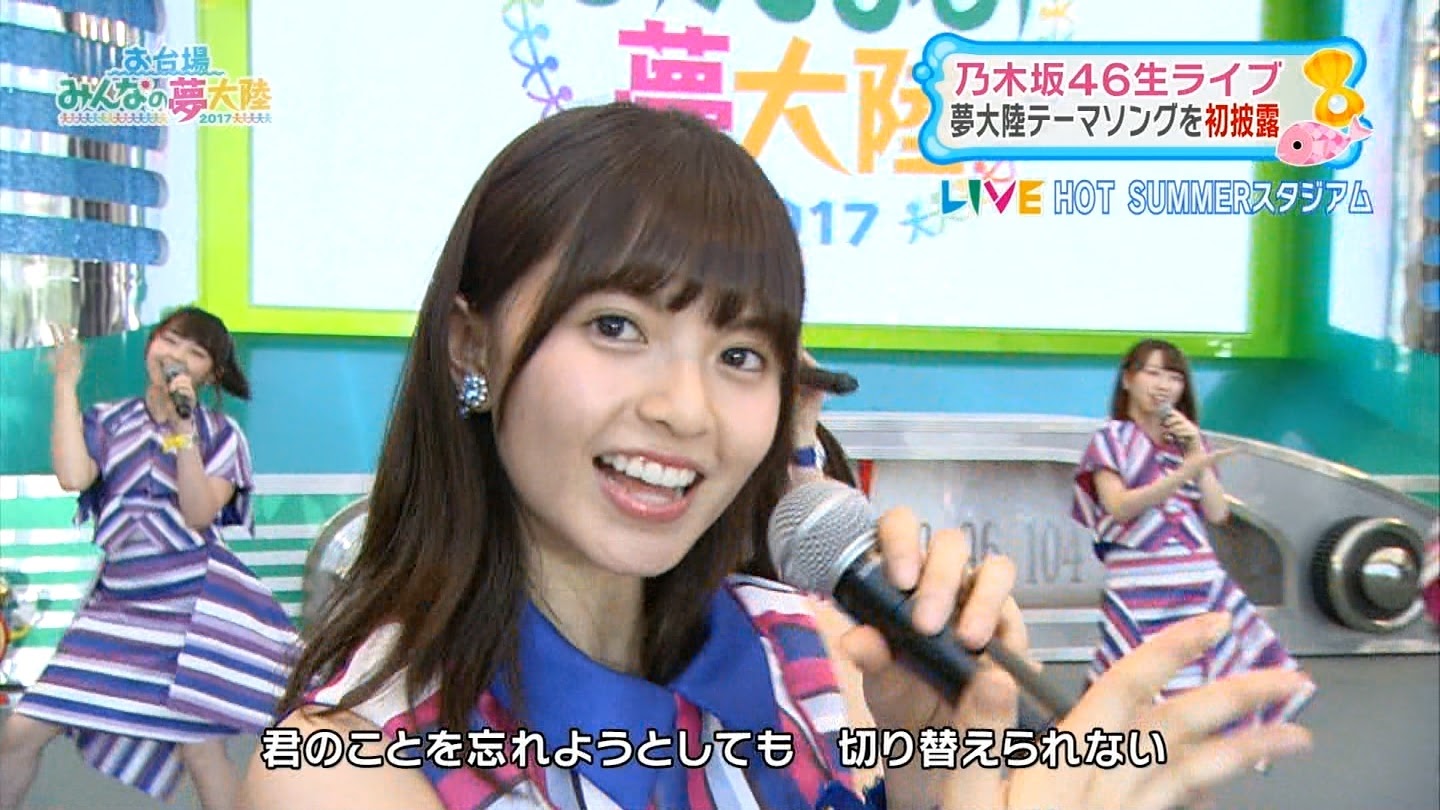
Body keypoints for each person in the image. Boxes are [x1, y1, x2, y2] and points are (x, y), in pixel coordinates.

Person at [240, 103, 1313, 810]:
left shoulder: (809, 656)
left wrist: (934, 765)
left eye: (741, 354)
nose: (687, 410)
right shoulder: (344, 769)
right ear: (471, 345)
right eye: (616, 326)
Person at [0, 308, 299, 810]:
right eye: (170, 341)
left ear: (211, 374)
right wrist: (65, 384)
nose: (176, 356)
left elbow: (198, 512)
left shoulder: (222, 435)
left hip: (188, 610)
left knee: (201, 750)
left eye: (195, 352)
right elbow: (73, 477)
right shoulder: (108, 420)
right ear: (150, 347)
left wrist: (184, 433)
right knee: (21, 732)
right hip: (115, 606)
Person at [1071, 338, 1316, 738]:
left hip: (1199, 583)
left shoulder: (1189, 442)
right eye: (1153, 373)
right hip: (1139, 586)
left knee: (1203, 689)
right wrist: (1182, 475)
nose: (1163, 385)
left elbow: (1216, 513)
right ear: (1128, 380)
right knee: (1131, 689)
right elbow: (1118, 506)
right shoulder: (1111, 439)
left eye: (1174, 377)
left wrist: (1194, 457)